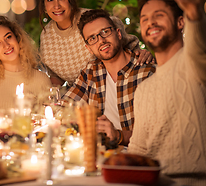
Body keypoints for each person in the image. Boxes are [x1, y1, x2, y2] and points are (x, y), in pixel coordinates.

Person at [128, 0, 206, 185]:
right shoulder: (144, 90)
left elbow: (201, 45)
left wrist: (194, 12)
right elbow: (139, 150)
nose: (150, 22)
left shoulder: (195, 64)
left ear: (181, 22)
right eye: (144, 19)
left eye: (159, 15)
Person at [38, 0, 153, 87]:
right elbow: (56, 77)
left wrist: (142, 54)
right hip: (79, 97)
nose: (56, 6)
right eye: (50, 0)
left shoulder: (91, 21)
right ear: (44, 4)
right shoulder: (46, 36)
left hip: (114, 87)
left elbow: (128, 48)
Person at [63, 9, 155, 146]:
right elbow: (65, 108)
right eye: (93, 38)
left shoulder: (146, 72)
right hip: (100, 154)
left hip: (137, 157)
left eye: (105, 31)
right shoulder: (91, 71)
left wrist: (118, 136)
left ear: (118, 34)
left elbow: (154, 133)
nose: (101, 40)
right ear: (89, 48)